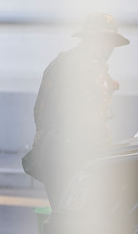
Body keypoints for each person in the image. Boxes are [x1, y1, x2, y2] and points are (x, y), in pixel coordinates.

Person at [27, 12, 130, 208]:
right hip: (79, 159)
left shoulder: (60, 62)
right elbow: (93, 123)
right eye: (109, 42)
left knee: (62, 216)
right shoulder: (92, 69)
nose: (111, 48)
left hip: (51, 154)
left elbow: (39, 112)